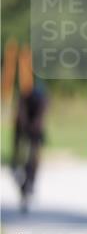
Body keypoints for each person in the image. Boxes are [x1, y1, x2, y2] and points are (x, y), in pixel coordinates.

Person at [11, 69, 48, 210]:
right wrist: (25, 128)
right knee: (20, 156)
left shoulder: (41, 96)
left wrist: (35, 129)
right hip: (22, 129)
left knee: (33, 157)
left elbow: (41, 115)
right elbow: (21, 115)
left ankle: (30, 183)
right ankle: (19, 173)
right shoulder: (23, 96)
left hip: (35, 130)